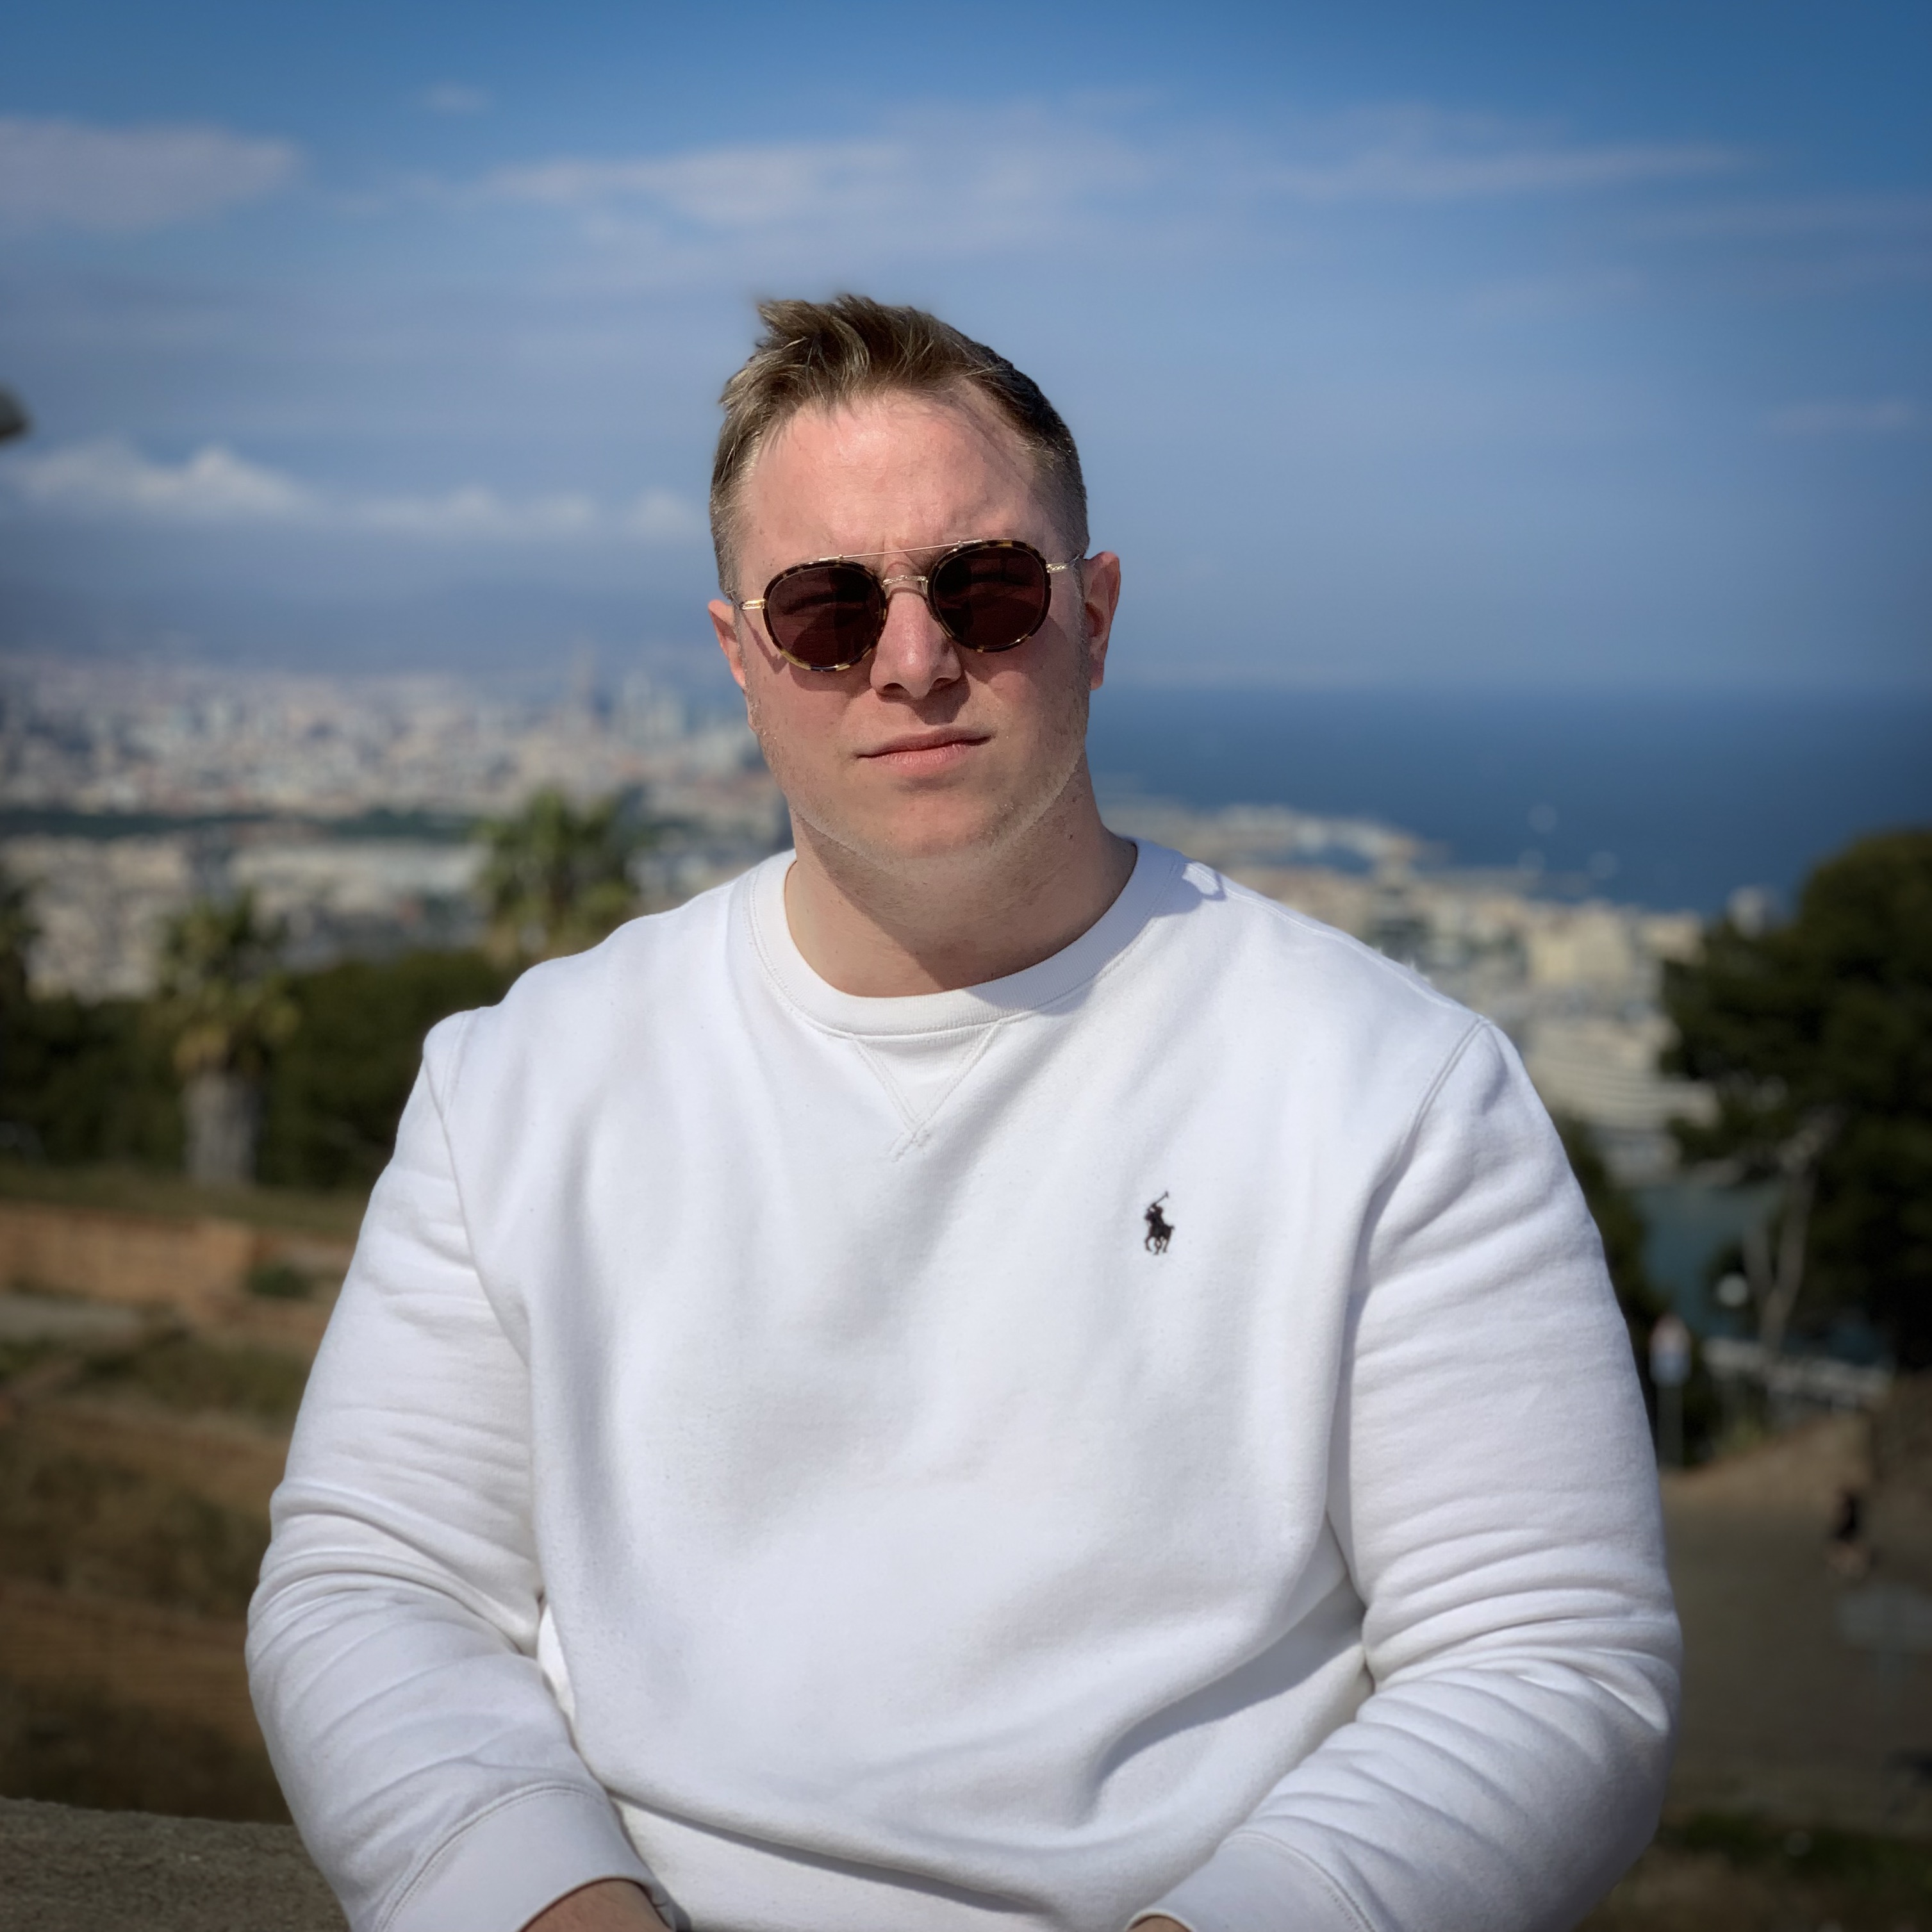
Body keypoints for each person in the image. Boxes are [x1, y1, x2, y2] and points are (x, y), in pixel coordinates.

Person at [249, 295, 1680, 1932]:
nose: (914, 659)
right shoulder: (520, 1079)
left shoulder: (1394, 1090)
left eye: (986, 588)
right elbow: (375, 1578)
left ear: (1095, 615)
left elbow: (1544, 1654)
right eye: (826, 610)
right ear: (741, 661)